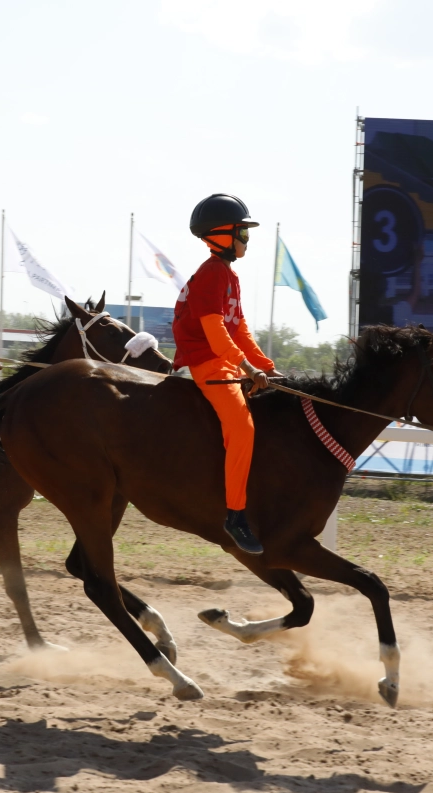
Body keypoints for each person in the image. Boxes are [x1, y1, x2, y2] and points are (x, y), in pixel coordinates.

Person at [172, 194, 284, 554]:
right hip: (206, 362)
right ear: (221, 235)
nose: (247, 241)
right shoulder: (211, 274)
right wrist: (248, 368)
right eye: (243, 234)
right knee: (242, 427)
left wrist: (267, 367)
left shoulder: (227, 275)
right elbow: (215, 331)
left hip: (222, 358)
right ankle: (235, 515)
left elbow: (240, 329)